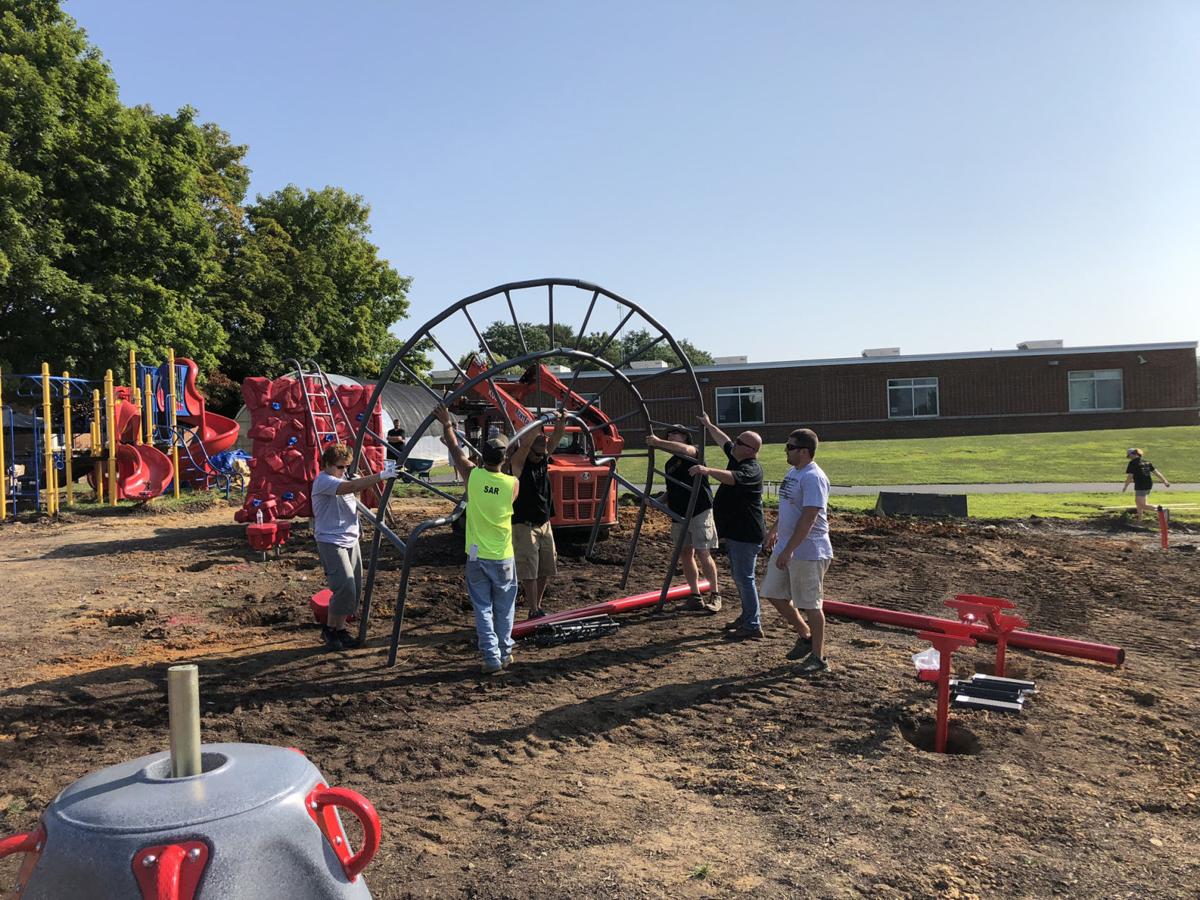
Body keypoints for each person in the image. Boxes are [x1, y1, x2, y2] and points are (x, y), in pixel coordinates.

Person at [434, 404, 519, 675]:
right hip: (503, 555)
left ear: (484, 457)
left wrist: (447, 424)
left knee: (483, 608)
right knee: (504, 609)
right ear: (503, 460)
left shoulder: (473, 476)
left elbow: (457, 452)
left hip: (476, 555)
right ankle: (504, 653)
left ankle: (492, 657)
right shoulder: (512, 484)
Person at [310, 444, 398, 650]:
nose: (344, 471)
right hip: (331, 541)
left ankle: (339, 629)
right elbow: (348, 488)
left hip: (350, 540)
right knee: (344, 586)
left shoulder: (343, 480)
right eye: (340, 467)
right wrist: (381, 475)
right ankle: (329, 630)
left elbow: (352, 499)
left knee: (354, 590)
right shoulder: (324, 481)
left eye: (346, 467)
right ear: (327, 465)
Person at [762, 429, 833, 674]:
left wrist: (789, 549)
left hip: (809, 551)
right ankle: (805, 634)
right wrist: (774, 531)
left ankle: (819, 657)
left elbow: (809, 516)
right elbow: (789, 508)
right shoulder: (793, 472)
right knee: (772, 592)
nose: (786, 450)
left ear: (804, 451)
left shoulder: (814, 477)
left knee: (812, 604)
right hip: (786, 547)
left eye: (790, 447)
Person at [688, 413, 765, 631]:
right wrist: (709, 424)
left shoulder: (751, 469)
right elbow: (724, 440)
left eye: (739, 441)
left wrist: (707, 470)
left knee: (744, 578)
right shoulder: (737, 455)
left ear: (750, 450)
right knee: (740, 577)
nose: (735, 443)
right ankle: (748, 616)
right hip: (736, 533)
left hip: (746, 534)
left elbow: (732, 478)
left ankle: (752, 623)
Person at [645, 424, 721, 612]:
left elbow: (684, 449)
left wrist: (657, 442)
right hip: (679, 514)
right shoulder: (670, 464)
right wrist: (657, 501)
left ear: (686, 436)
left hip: (699, 510)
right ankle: (695, 596)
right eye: (669, 433)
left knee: (703, 552)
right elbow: (672, 490)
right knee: (685, 554)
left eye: (676, 433)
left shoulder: (693, 452)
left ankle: (715, 594)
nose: (671, 436)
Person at [507, 411, 568, 621]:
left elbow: (557, 437)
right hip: (524, 524)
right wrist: (536, 423)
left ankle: (537, 606)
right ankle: (533, 610)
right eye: (539, 440)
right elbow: (524, 446)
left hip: (544, 522)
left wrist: (561, 422)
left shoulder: (542, 458)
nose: (545, 444)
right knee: (529, 568)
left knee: (546, 566)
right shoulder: (519, 463)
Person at [1122, 448, 1170, 517]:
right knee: (1138, 502)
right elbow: (1156, 473)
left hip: (1140, 485)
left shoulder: (1132, 463)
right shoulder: (1147, 462)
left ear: (1133, 454)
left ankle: (1162, 510)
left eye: (1129, 456)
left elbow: (1130, 476)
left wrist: (1125, 486)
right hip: (1148, 484)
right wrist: (1165, 481)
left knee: (1142, 505)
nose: (1129, 458)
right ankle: (1139, 518)